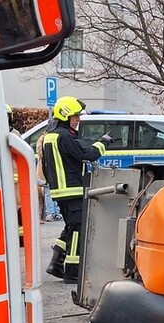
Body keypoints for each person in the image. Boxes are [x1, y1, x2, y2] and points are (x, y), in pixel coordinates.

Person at [42, 96, 112, 284]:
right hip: (72, 190)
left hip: (60, 191)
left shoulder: (50, 136)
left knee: (71, 226)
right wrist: (103, 142)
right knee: (78, 230)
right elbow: (87, 155)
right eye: (75, 116)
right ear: (65, 115)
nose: (78, 119)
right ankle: (72, 271)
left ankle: (56, 264)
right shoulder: (64, 136)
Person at [7, 105, 24, 246]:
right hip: (4, 180)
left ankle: (21, 238)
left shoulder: (14, 134)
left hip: (16, 179)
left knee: (18, 209)